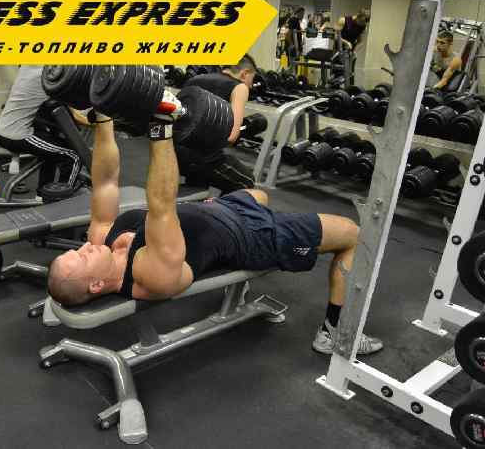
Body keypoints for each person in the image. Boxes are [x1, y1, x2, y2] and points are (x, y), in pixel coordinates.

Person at [47, 89, 384, 356]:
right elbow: (162, 205)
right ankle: (335, 332)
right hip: (251, 235)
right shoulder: (150, 275)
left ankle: (243, 254)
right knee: (353, 234)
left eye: (77, 249)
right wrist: (161, 128)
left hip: (220, 210)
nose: (85, 246)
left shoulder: (102, 239)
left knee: (258, 194)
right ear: (96, 285)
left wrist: (103, 118)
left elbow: (105, 181)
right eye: (83, 256)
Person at [0, 66, 90, 194]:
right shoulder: (47, 76)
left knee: (52, 151)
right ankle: (62, 197)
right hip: (16, 135)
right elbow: (75, 112)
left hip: (5, 129)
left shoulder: (29, 66)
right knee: (73, 156)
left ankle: (44, 193)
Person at [173, 55, 258, 194]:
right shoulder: (240, 87)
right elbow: (231, 136)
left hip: (173, 155)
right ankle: (222, 209)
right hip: (202, 160)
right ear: (244, 73)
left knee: (200, 178)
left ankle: (196, 199)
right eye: (252, 80)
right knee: (246, 181)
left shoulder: (195, 79)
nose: (251, 85)